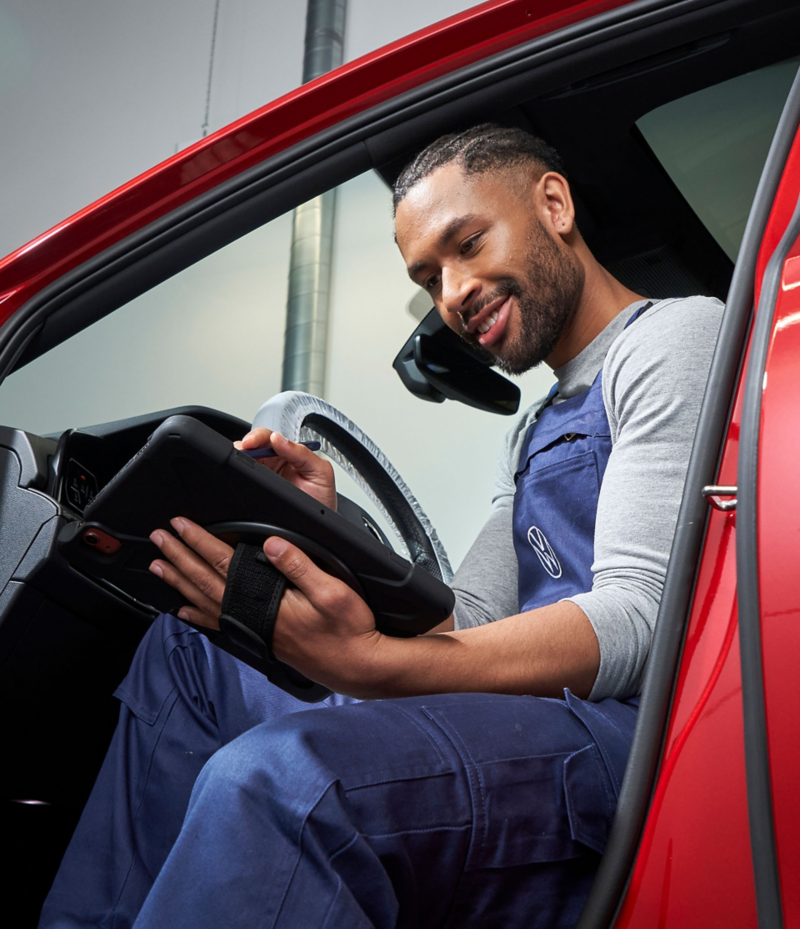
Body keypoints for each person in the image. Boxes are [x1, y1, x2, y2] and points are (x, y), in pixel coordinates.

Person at [40, 125, 723, 929]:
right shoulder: (535, 430)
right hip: (530, 716)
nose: (455, 292)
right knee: (191, 650)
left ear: (554, 202)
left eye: (468, 244)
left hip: (628, 747)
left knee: (289, 780)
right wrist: (331, 528)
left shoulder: (673, 337)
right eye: (429, 277)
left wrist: (372, 665)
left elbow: (640, 620)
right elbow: (466, 623)